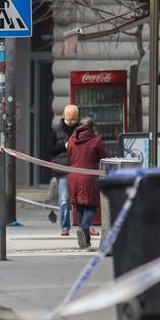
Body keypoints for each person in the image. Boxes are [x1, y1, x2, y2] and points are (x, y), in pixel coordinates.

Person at [67, 118, 108, 249]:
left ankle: (86, 241)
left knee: (79, 206)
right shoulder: (96, 141)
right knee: (90, 206)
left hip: (74, 176)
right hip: (90, 176)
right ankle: (84, 227)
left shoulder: (72, 140)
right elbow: (104, 156)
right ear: (91, 127)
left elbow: (69, 155)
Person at [49, 105, 80, 236]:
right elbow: (50, 149)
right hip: (62, 168)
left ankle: (85, 224)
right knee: (64, 199)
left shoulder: (80, 129)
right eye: (70, 119)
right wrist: (64, 145)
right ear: (63, 116)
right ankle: (65, 226)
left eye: (74, 119)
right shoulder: (55, 130)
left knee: (82, 198)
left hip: (78, 166)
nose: (72, 122)